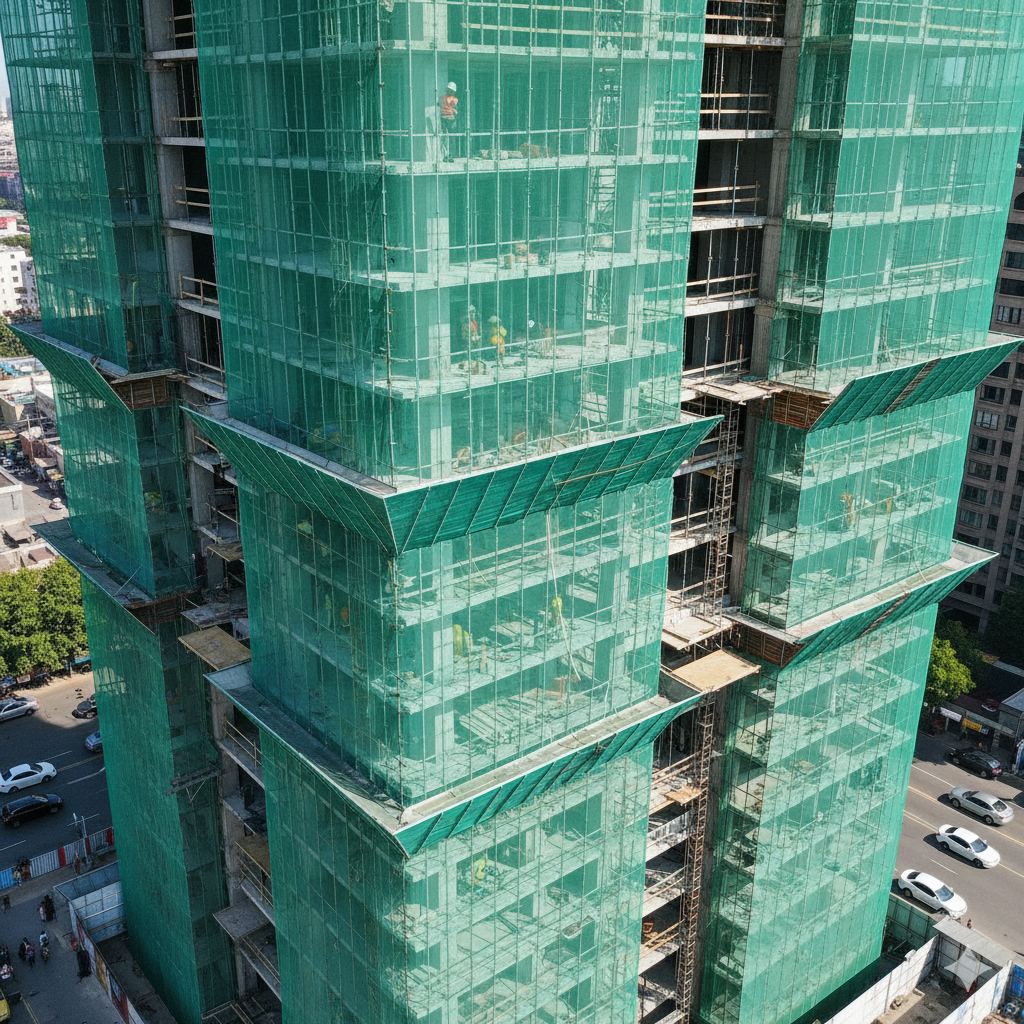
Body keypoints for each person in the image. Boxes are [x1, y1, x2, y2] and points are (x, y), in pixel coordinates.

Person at [440, 82, 458, 160]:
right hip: (448, 118)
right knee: (449, 138)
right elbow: (454, 107)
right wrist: (453, 109)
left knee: (447, 137)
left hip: (445, 118)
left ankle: (448, 155)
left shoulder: (444, 98)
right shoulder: (452, 99)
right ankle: (448, 155)